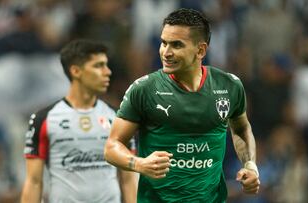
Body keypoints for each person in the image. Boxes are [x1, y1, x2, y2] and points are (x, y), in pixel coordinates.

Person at [104, 8, 260, 202]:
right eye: (163, 43)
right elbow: (112, 146)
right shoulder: (144, 89)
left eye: (176, 45)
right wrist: (140, 164)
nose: (166, 52)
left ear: (200, 50)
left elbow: (241, 128)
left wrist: (250, 164)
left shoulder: (229, 86)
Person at [21, 39, 137, 203]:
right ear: (76, 71)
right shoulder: (44, 119)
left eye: (106, 65)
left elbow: (129, 179)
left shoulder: (119, 118)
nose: (108, 72)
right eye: (98, 66)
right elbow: (34, 182)